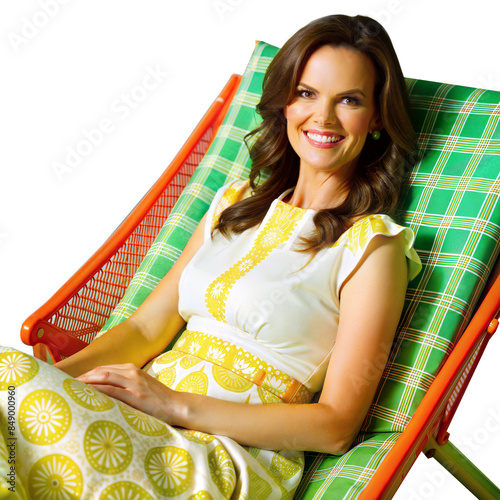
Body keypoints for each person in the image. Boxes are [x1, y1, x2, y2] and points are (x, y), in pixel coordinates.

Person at [1, 14, 421, 500]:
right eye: (306, 93)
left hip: (220, 456)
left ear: (376, 120)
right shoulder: (233, 205)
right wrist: (49, 383)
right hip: (132, 420)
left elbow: (335, 426)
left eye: (349, 100)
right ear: (284, 103)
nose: (322, 117)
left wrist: (173, 405)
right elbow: (143, 331)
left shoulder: (371, 247)